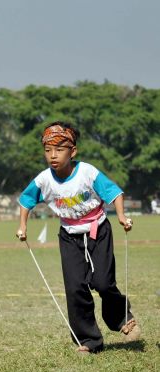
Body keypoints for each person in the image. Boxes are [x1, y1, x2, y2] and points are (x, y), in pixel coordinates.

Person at [17, 121, 140, 354]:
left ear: (73, 151)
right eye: (47, 150)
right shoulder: (44, 180)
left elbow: (114, 192)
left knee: (103, 282)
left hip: (98, 231)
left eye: (59, 149)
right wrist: (22, 226)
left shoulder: (87, 172)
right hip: (69, 237)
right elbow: (26, 201)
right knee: (75, 288)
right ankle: (89, 341)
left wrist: (122, 216)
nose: (53, 155)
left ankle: (122, 318)